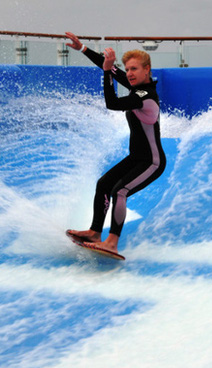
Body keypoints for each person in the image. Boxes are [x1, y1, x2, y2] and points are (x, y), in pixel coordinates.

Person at [64, 32, 166, 256]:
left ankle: (111, 242)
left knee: (120, 190)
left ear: (147, 69)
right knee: (103, 184)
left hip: (152, 162)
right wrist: (83, 49)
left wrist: (106, 72)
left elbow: (112, 103)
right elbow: (110, 67)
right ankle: (94, 232)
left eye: (134, 69)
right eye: (127, 69)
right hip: (136, 158)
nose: (128, 73)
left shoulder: (145, 95)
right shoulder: (136, 88)